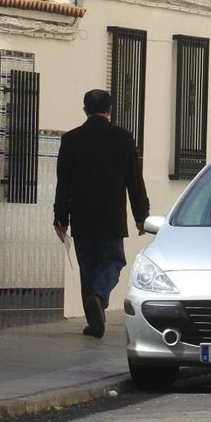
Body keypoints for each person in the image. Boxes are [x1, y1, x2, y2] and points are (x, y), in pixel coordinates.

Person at [53, 89, 150, 339]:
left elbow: (63, 182)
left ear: (84, 110)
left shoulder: (71, 139)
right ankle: (99, 295)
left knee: (88, 265)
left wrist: (60, 217)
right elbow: (134, 180)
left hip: (82, 214)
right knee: (113, 260)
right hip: (111, 214)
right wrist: (142, 214)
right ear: (110, 110)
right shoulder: (123, 138)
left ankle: (93, 320)